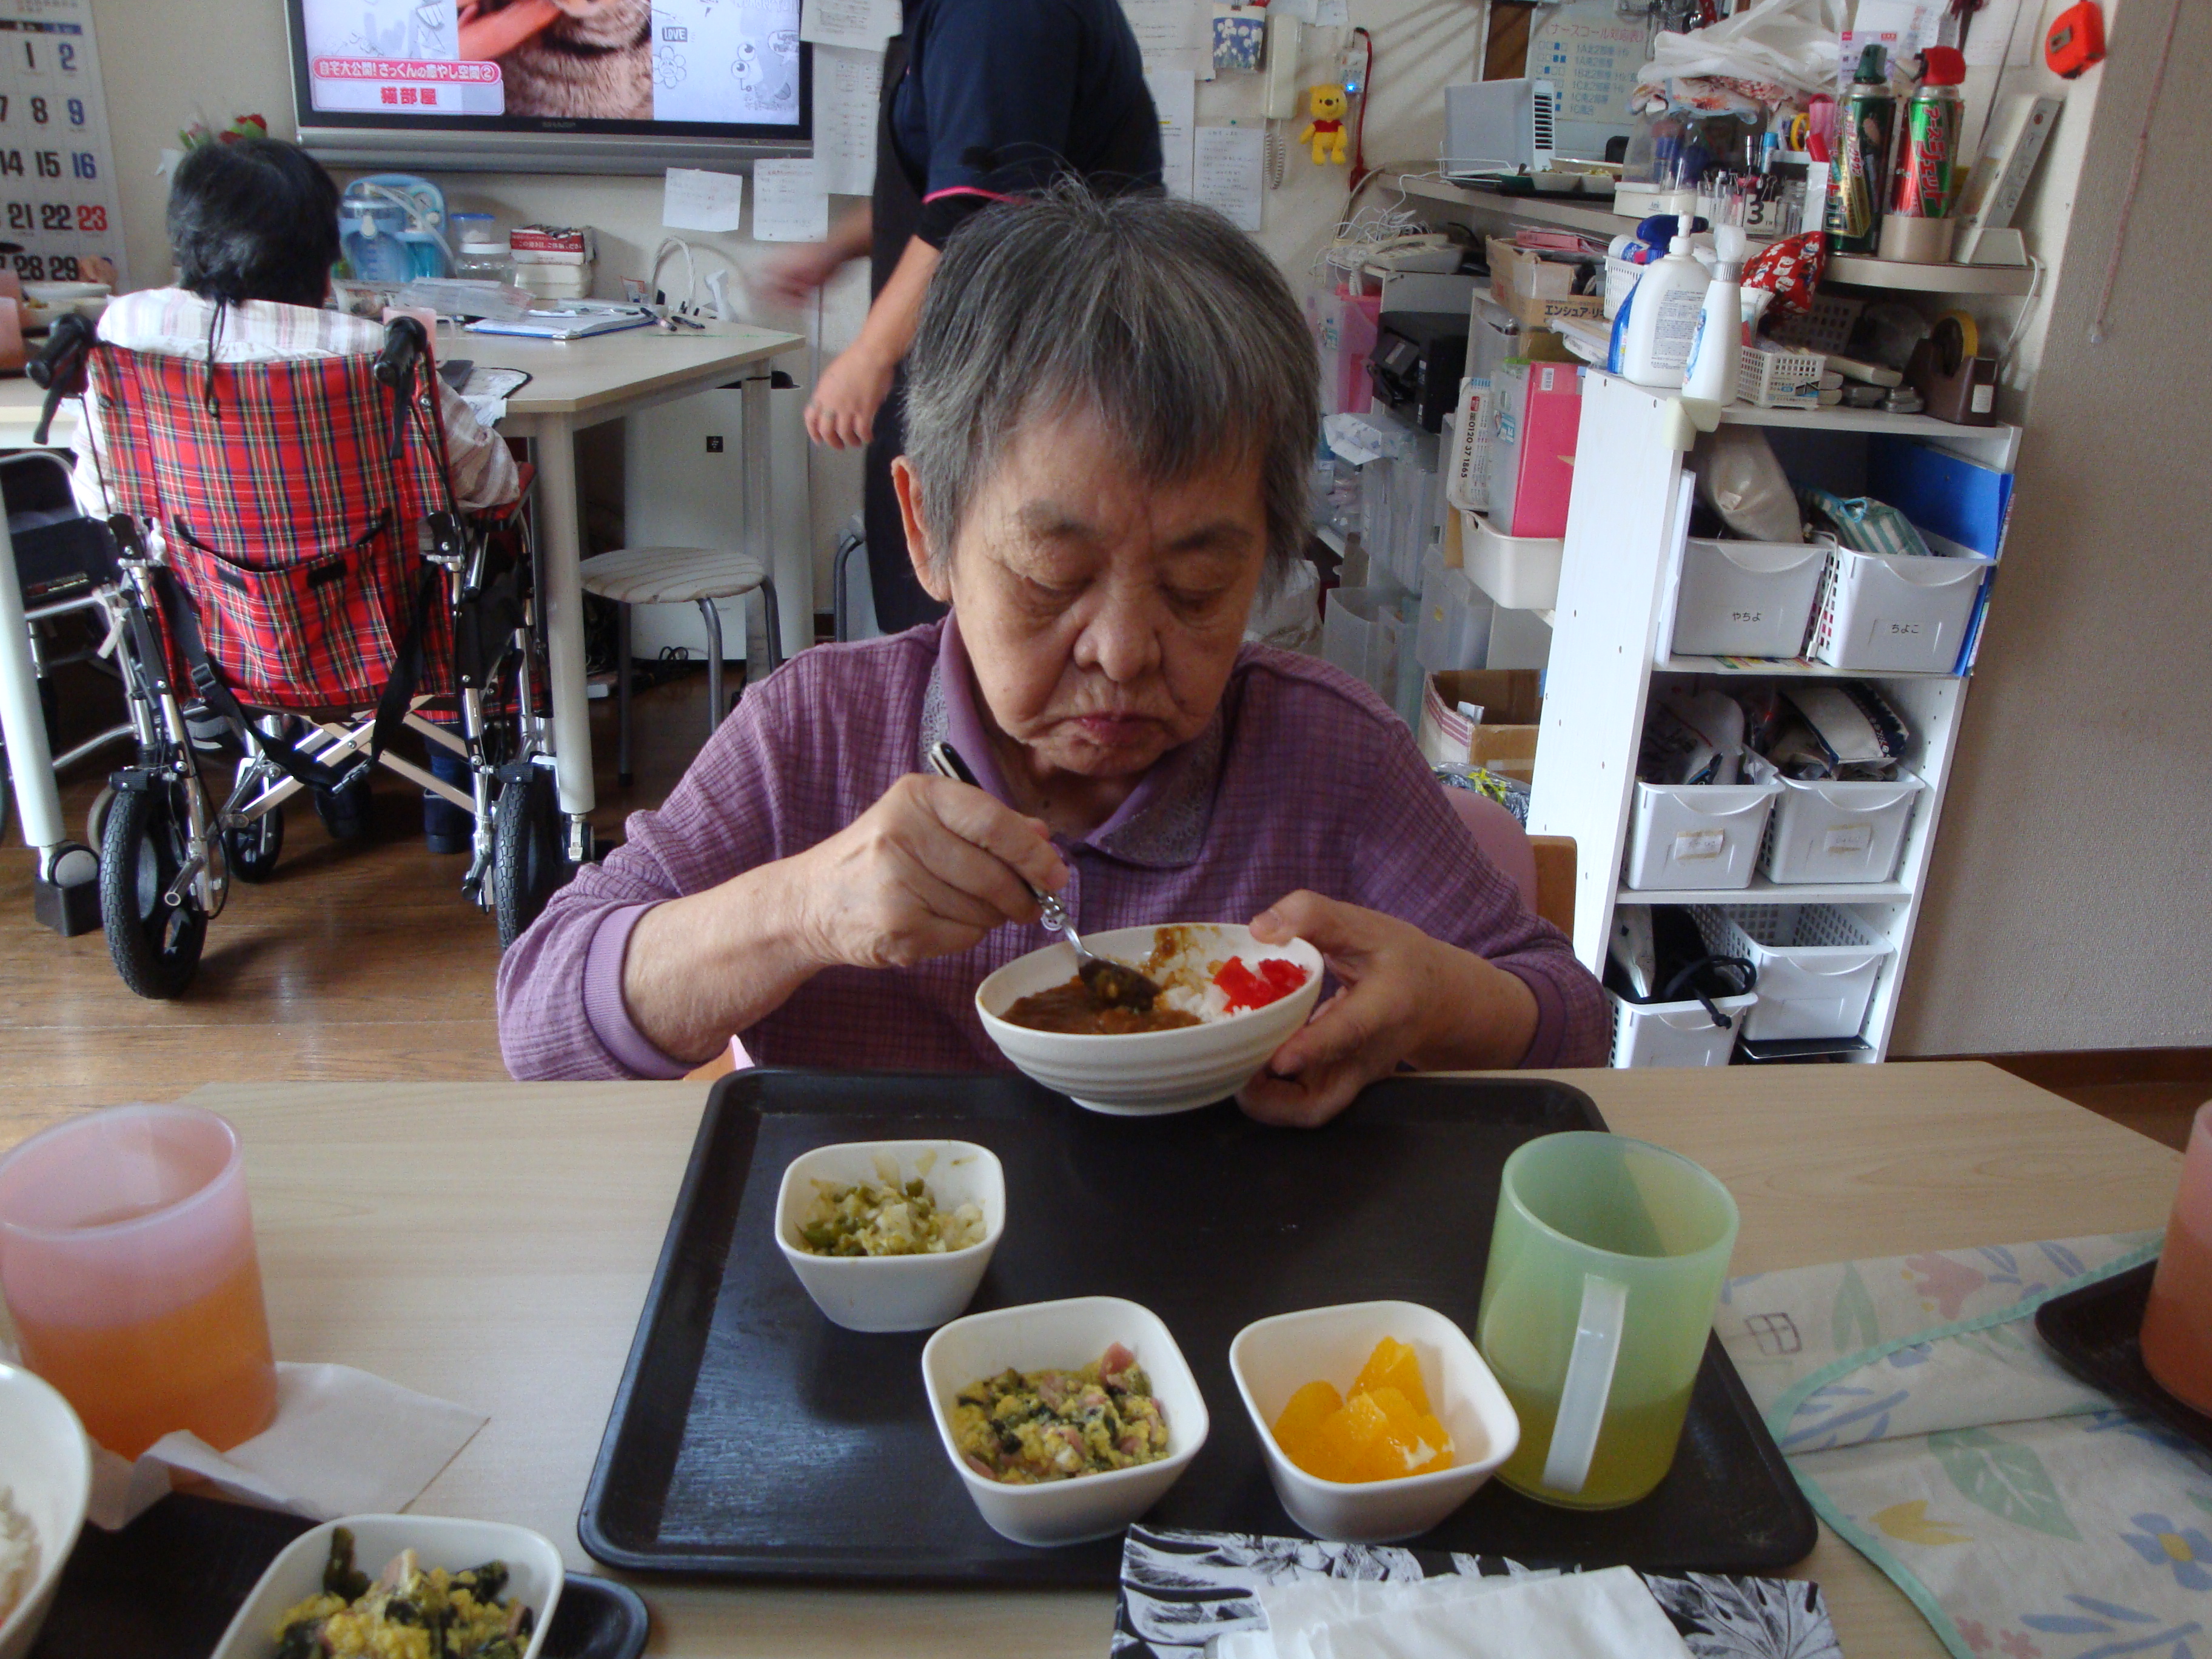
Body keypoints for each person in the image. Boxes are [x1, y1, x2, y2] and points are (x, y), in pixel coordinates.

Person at [498, 188, 1609, 1122]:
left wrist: (1443, 1005)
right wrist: (800, 912)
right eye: (1050, 576)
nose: (1122, 653)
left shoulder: (1328, 758)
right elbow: (540, 1025)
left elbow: (1573, 1020)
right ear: (926, 530)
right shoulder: (814, 735)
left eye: (1196, 588)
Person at [72, 137, 520, 851]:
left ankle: (318, 789)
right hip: (384, 637)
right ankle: (452, 797)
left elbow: (99, 497)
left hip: (213, 635)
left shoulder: (127, 333)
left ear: (188, 242)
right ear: (323, 252)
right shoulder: (375, 353)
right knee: (471, 548)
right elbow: (492, 482)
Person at [760, 0, 1161, 634]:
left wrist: (868, 353)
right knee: (946, 624)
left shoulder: (992, 12)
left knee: (995, 629)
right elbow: (951, 182)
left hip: (1026, 390)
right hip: (984, 381)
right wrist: (837, 248)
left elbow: (978, 209)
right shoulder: (950, 15)